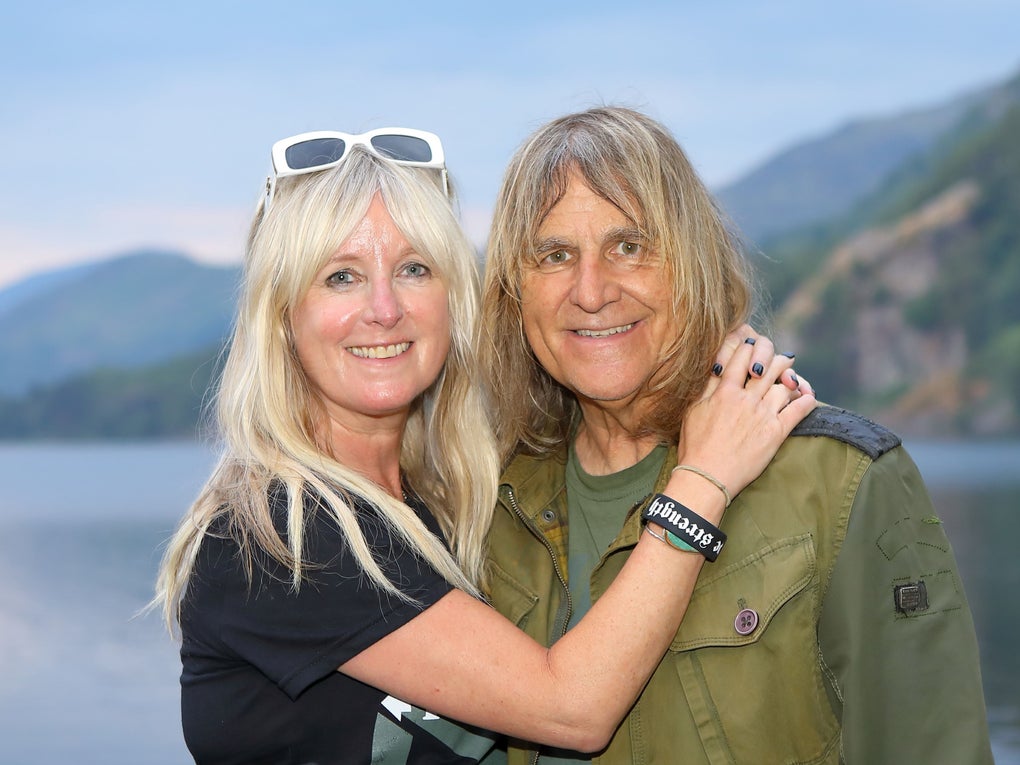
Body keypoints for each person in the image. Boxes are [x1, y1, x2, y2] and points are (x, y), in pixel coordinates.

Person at [153, 127, 816, 764]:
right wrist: (704, 478)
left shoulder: (441, 501)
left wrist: (707, 360)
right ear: (281, 316)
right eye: (341, 276)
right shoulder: (281, 538)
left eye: (414, 268)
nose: (385, 308)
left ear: (454, 299)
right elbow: (572, 707)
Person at [479, 106, 993, 765]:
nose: (591, 291)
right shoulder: (495, 507)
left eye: (628, 246)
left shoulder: (841, 481)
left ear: (693, 262)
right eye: (555, 255)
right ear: (515, 293)